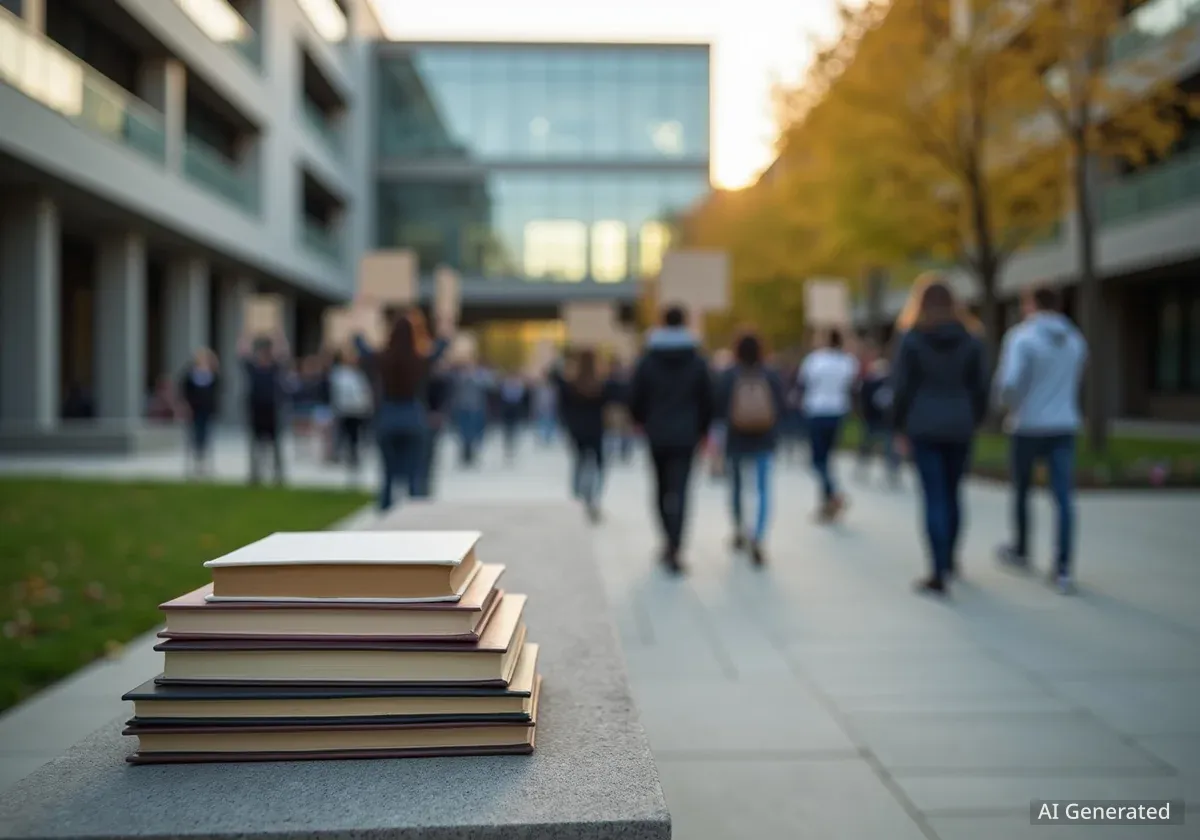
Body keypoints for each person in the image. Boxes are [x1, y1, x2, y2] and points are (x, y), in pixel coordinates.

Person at [891, 280, 989, 596]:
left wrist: (898, 426)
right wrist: (975, 417)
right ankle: (950, 559)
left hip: (924, 424)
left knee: (933, 496)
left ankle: (937, 570)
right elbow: (981, 386)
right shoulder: (971, 339)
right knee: (953, 492)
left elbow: (901, 388)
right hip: (959, 423)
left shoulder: (912, 339)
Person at [993, 286, 1088, 595]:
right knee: (1063, 497)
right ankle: (1062, 567)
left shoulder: (1022, 337)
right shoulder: (1075, 339)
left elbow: (1009, 383)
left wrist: (1009, 405)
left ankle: (1021, 549)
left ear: (1031, 304)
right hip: (1064, 424)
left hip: (1028, 425)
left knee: (1022, 490)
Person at [630, 306, 714, 574]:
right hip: (687, 433)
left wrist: (642, 421)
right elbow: (708, 399)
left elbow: (635, 397)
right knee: (681, 490)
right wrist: (703, 428)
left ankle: (667, 539)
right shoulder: (697, 360)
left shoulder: (648, 360)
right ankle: (676, 544)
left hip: (657, 432)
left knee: (660, 488)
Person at [358, 310, 450, 511]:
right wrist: (444, 324)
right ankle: (414, 517)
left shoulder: (382, 359)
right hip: (413, 417)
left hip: (388, 417)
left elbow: (361, 347)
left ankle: (385, 516)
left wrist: (361, 322)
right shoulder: (420, 361)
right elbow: (441, 347)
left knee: (387, 475)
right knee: (415, 474)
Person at [714, 330, 786, 566]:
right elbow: (781, 407)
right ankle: (759, 535)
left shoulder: (728, 375)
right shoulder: (771, 375)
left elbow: (718, 407)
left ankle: (738, 529)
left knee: (736, 486)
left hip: (736, 438)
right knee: (763, 488)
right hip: (764, 438)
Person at [553, 349, 621, 523]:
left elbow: (555, 382)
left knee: (580, 461)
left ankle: (579, 495)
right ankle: (593, 497)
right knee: (598, 464)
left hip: (577, 430)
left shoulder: (570, 385)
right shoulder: (601, 386)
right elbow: (619, 395)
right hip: (596, 430)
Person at [798, 329, 859, 522]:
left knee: (818, 460)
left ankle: (833, 494)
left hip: (817, 411)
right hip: (838, 411)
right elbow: (852, 385)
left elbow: (804, 383)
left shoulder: (815, 360)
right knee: (827, 458)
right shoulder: (848, 362)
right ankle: (828, 501)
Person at [240, 331, 290, 486]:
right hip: (256, 412)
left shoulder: (275, 368)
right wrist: (247, 334)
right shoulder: (252, 368)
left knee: (275, 446)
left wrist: (278, 335)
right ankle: (255, 475)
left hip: (272, 412)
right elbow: (242, 353)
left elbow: (284, 353)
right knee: (255, 446)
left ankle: (278, 476)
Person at [855, 341, 900, 487]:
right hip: (881, 421)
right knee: (881, 447)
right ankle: (890, 473)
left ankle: (888, 472)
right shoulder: (885, 383)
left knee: (879, 447)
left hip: (878, 421)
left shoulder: (871, 384)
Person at [329, 346, 374, 482]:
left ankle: (353, 457)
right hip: (344, 410)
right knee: (344, 435)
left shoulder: (358, 374)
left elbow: (364, 391)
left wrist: (366, 405)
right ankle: (344, 456)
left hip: (357, 410)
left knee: (354, 437)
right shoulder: (338, 374)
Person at [178, 348, 220, 477]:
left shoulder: (213, 375)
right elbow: (184, 391)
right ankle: (194, 465)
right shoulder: (190, 375)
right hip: (193, 411)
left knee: (207, 437)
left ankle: (206, 465)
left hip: (207, 411)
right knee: (194, 437)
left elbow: (218, 390)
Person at [498, 372, 527, 462]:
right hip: (507, 410)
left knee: (514, 429)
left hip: (515, 409)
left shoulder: (519, 386)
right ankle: (508, 445)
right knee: (507, 429)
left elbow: (520, 397)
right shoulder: (505, 386)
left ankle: (513, 445)